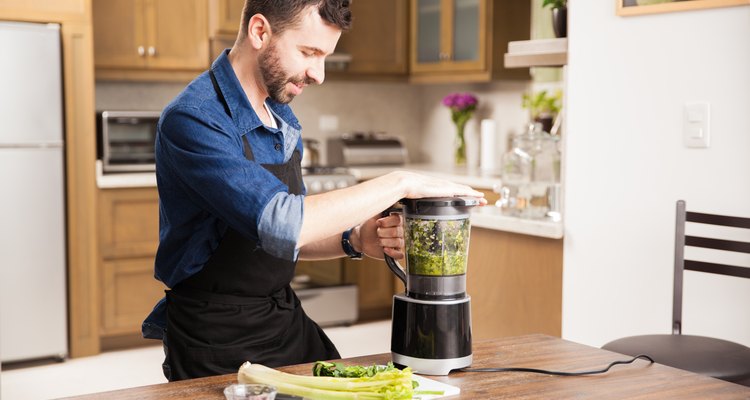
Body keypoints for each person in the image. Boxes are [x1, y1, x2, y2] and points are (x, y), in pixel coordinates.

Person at [142, 0, 486, 382]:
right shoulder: (194, 118)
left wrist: (356, 239)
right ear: (260, 32)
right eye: (309, 52)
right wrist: (399, 182)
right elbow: (282, 223)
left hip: (281, 319)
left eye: (325, 56)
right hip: (213, 336)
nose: (318, 73)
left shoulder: (280, 116)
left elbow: (288, 237)